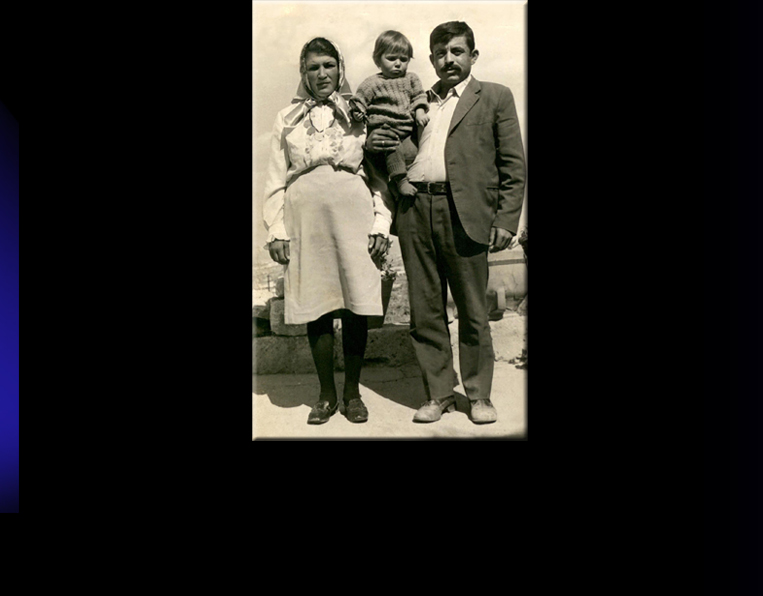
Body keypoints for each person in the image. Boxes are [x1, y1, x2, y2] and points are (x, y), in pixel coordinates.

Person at [366, 21, 526, 424]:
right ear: (432, 58)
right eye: (440, 53)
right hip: (415, 208)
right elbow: (385, 142)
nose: (448, 59)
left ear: (473, 56)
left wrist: (506, 219)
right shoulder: (417, 99)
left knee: (474, 309)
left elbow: (513, 165)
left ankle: (479, 395)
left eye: (456, 51)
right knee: (424, 310)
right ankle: (438, 394)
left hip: (465, 213)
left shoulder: (494, 97)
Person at [263, 37, 393, 425]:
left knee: (355, 304)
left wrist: (381, 222)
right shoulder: (286, 118)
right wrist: (277, 229)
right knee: (316, 305)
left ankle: (352, 394)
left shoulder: (359, 113)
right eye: (313, 67)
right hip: (306, 222)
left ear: (340, 69)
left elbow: (378, 177)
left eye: (328, 66)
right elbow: (274, 179)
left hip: (354, 219)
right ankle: (325, 395)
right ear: (303, 73)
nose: (322, 74)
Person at [349, 30, 429, 198]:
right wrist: (357, 112)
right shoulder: (372, 83)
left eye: (403, 59)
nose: (398, 64)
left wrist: (420, 112)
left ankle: (407, 179)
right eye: (391, 58)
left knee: (414, 151)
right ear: (378, 60)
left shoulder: (411, 79)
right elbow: (359, 100)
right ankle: (400, 181)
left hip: (406, 129)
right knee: (392, 148)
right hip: (385, 128)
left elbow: (419, 96)